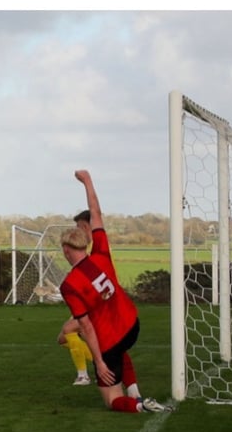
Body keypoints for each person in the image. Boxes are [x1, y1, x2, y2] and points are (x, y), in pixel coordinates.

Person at [59, 170, 170, 413]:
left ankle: (140, 405)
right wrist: (87, 181)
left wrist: (98, 362)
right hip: (132, 325)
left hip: (110, 340)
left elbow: (87, 327)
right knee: (120, 350)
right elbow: (96, 212)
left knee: (111, 400)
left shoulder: (69, 285)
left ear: (67, 250)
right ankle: (134, 389)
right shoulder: (101, 253)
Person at [56, 209, 94, 386]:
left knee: (69, 331)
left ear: (86, 226)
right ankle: (101, 359)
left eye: (78, 227)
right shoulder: (92, 246)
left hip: (93, 304)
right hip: (84, 301)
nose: (77, 231)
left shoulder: (95, 249)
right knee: (62, 339)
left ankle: (83, 375)